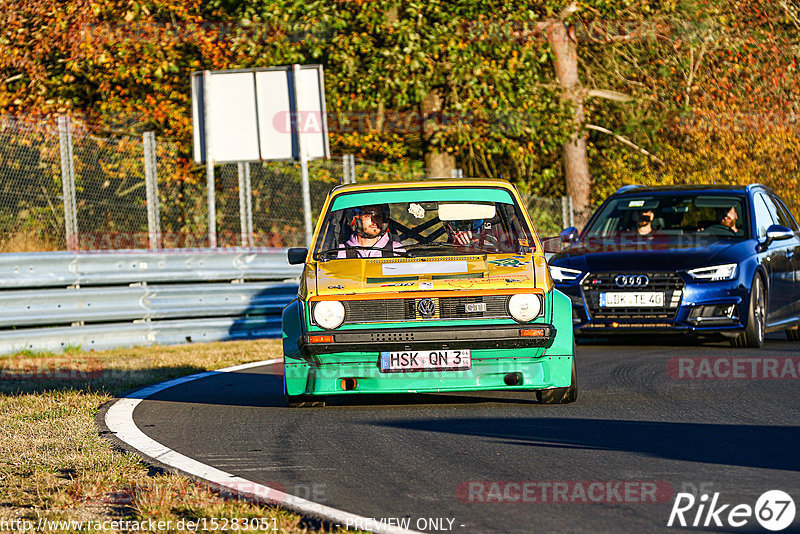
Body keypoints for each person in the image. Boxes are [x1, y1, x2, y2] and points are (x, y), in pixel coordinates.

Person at [338, 204, 404, 258]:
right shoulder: (340, 253)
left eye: (378, 216)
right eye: (368, 216)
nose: (374, 221)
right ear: (355, 220)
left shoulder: (396, 251)